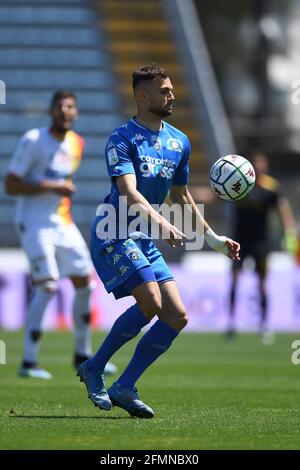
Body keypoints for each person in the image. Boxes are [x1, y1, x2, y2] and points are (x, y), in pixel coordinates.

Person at [77, 63, 240, 418]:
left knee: (177, 315)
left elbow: (181, 196)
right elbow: (130, 193)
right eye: (163, 90)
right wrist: (163, 223)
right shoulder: (121, 139)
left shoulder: (179, 141)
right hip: (114, 231)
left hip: (144, 235)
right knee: (150, 301)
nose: (171, 95)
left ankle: (125, 385)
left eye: (171, 89)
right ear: (142, 95)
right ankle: (94, 368)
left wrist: (212, 238)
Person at [4, 90, 117, 379]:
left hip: (62, 223)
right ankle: (28, 362)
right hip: (34, 222)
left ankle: (83, 354)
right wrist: (51, 187)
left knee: (85, 282)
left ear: (76, 113)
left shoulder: (77, 143)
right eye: (60, 106)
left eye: (70, 107)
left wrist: (59, 191)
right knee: (48, 285)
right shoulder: (33, 140)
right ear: (52, 111)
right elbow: (11, 185)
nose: (65, 111)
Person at [228, 151, 297, 343]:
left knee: (262, 284)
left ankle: (264, 325)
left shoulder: (271, 188)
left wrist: (289, 232)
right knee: (234, 281)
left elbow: (283, 210)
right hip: (238, 242)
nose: (257, 167)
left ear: (265, 167)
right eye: (254, 164)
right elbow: (216, 196)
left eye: (260, 164)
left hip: (261, 243)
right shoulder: (238, 184)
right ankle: (231, 323)